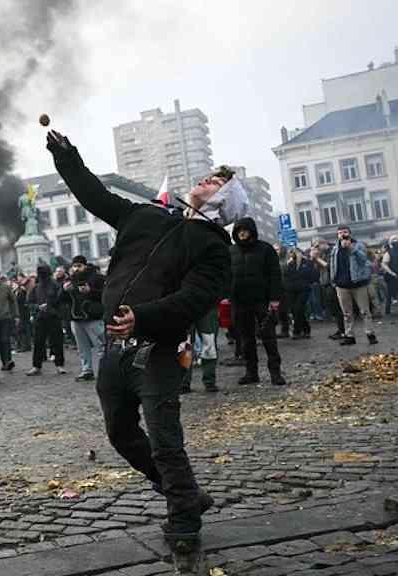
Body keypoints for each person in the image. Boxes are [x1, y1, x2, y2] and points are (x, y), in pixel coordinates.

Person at [47, 130, 237, 564]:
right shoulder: (148, 217)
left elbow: (195, 298)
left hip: (158, 349)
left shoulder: (213, 246)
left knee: (166, 439)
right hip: (115, 348)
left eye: (217, 183)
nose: (206, 181)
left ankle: (184, 520)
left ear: (227, 202)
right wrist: (67, 157)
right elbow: (96, 196)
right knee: (120, 433)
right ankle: (185, 492)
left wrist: (145, 316)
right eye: (208, 176)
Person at [230, 217, 286, 386]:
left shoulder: (265, 249)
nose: (242, 233)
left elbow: (275, 275)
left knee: (269, 338)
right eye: (239, 230)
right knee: (246, 340)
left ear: (251, 231)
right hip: (239, 302)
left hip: (262, 301)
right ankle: (251, 372)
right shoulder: (230, 251)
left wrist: (275, 299)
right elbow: (225, 275)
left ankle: (275, 373)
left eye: (245, 230)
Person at [330, 225, 378, 345]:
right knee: (347, 313)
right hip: (341, 285)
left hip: (358, 283)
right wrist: (333, 280)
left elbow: (363, 260)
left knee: (364, 311)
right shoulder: (335, 248)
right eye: (340, 233)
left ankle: (370, 334)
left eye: (345, 232)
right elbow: (333, 265)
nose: (342, 234)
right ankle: (349, 336)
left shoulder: (358, 245)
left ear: (350, 233)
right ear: (337, 235)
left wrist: (351, 248)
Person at [64, 255, 106, 381]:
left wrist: (90, 291)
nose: (76, 269)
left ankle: (104, 371)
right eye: (74, 266)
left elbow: (105, 294)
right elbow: (61, 300)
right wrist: (64, 290)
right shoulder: (70, 280)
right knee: (82, 348)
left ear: (85, 265)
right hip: (76, 318)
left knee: (101, 346)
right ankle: (86, 370)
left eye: (79, 266)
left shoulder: (97, 278)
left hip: (93, 317)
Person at [27, 265, 66, 376]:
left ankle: (59, 365)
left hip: (53, 317)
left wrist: (49, 306)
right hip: (40, 317)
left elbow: (60, 300)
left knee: (57, 342)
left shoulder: (55, 285)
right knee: (38, 342)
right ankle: (36, 366)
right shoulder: (36, 287)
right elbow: (30, 302)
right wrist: (38, 307)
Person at [283, 249, 318, 339]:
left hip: (303, 289)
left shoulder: (307, 263)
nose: (292, 255)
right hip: (290, 290)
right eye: (291, 253)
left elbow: (313, 275)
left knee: (298, 308)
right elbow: (284, 275)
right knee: (295, 311)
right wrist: (287, 264)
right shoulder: (287, 263)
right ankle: (306, 329)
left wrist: (307, 283)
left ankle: (297, 331)